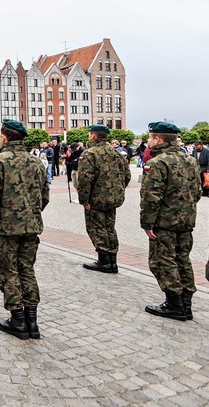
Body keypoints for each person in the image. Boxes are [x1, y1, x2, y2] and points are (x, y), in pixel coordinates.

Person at [0, 119, 49, 340]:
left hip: (6, 229)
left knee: (8, 271)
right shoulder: (37, 162)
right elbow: (44, 196)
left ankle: (18, 320)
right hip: (31, 227)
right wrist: (30, 214)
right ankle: (32, 321)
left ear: (4, 137)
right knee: (27, 269)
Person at [141, 122, 202, 321]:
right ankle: (186, 304)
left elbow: (152, 197)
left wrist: (147, 224)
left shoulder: (159, 162)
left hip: (165, 222)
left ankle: (174, 304)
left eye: (150, 137)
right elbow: (198, 192)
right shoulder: (190, 160)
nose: (148, 141)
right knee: (183, 259)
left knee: (162, 260)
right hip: (186, 221)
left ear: (158, 139)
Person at [76, 125, 131, 273]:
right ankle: (113, 262)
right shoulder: (116, 153)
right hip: (112, 199)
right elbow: (127, 175)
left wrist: (84, 200)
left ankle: (104, 261)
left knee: (97, 228)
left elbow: (84, 180)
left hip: (96, 199)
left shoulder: (90, 153)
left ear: (93, 136)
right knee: (110, 228)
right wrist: (116, 191)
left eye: (90, 134)